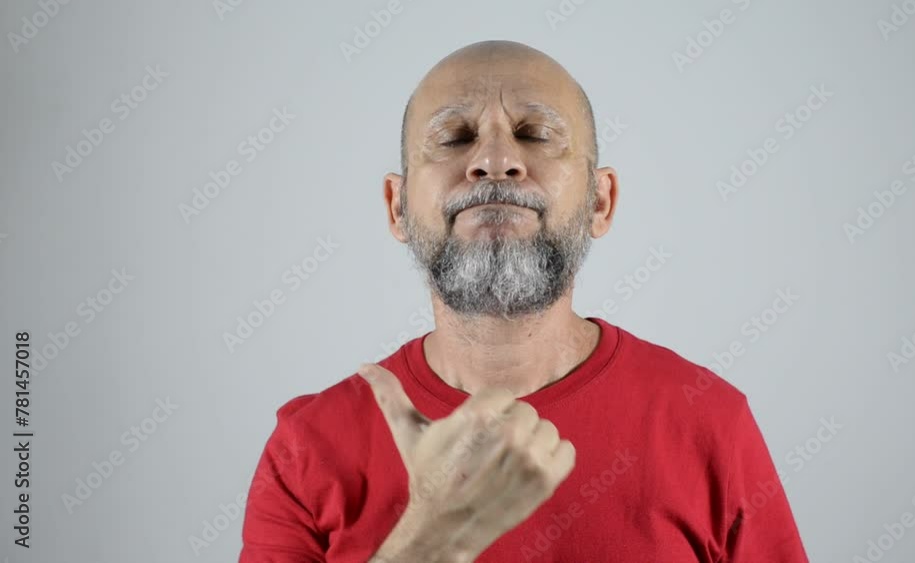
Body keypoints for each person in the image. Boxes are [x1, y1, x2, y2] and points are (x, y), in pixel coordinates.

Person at [239, 39, 810, 562]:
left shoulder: (710, 422)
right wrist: (430, 538)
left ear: (600, 202)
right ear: (397, 207)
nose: (494, 161)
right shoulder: (308, 448)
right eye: (454, 136)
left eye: (535, 133)